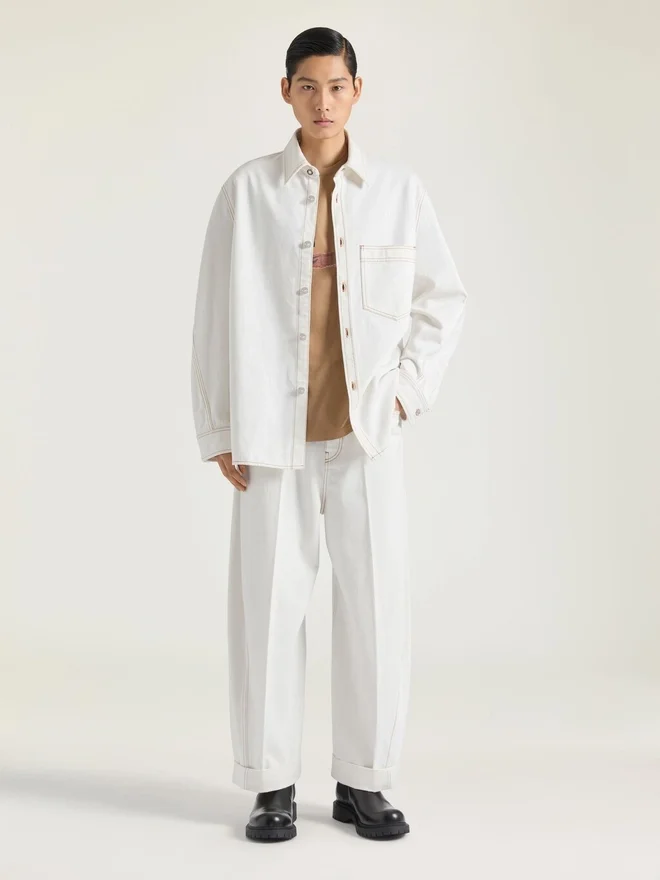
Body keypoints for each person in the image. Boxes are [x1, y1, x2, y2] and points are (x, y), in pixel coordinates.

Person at [190, 26, 467, 842]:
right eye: (307, 86)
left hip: (365, 435)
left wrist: (406, 393)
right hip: (271, 437)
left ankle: (364, 781)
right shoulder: (247, 192)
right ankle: (271, 783)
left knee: (375, 606)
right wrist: (219, 426)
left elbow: (443, 300)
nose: (323, 102)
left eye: (337, 86)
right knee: (270, 610)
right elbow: (212, 311)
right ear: (286, 91)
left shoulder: (397, 191)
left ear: (357, 91)